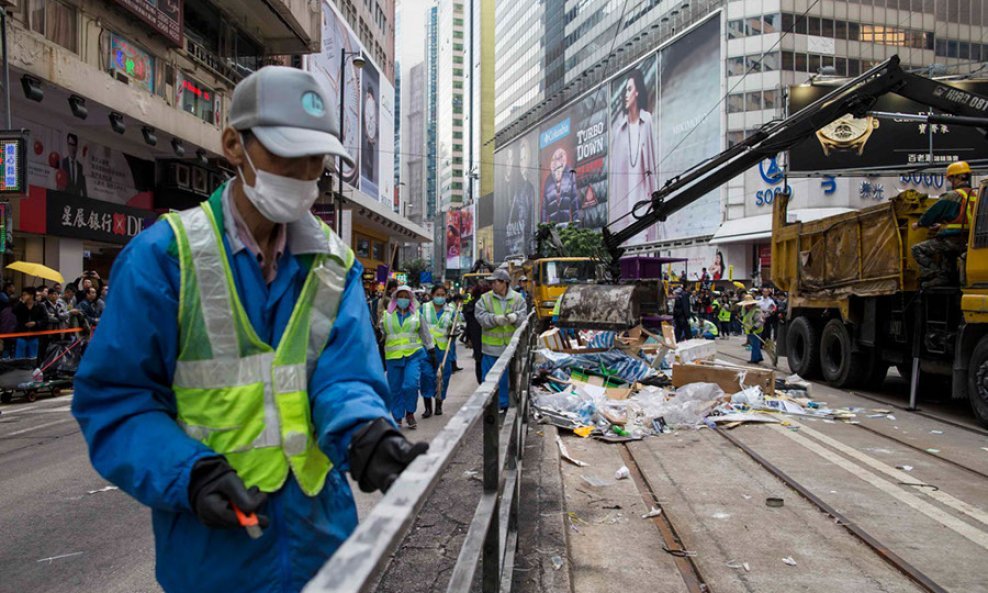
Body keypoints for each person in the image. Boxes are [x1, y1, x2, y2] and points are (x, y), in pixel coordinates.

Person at [71, 66, 427, 593]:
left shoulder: (333, 265)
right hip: (214, 556)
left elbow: (342, 379)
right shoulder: (162, 259)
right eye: (288, 154)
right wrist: (189, 474)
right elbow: (119, 401)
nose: (306, 173)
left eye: (317, 160)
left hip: (323, 544)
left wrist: (367, 435)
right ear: (234, 145)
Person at [609, 67, 659, 243]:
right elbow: (615, 183)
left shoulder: (647, 121)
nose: (625, 94)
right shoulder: (619, 131)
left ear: (637, 92)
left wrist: (655, 201)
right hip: (624, 205)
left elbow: (652, 166)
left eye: (629, 89)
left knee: (642, 244)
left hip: (642, 202)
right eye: (625, 90)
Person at [911, 161, 978, 288]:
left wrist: (919, 224)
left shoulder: (953, 196)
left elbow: (932, 213)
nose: (950, 182)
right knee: (948, 255)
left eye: (951, 179)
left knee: (917, 249)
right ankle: (950, 277)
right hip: (970, 242)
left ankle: (938, 275)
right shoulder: (976, 194)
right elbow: (964, 220)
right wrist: (941, 227)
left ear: (957, 177)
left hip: (953, 240)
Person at [381, 285, 436, 428]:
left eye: (406, 297)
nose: (403, 300)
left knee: (411, 385)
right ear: (395, 298)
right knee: (395, 388)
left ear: (411, 299)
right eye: (401, 297)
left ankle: (410, 413)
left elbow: (425, 333)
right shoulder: (386, 315)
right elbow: (381, 333)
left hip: (414, 355)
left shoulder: (416, 315)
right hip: (393, 357)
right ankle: (397, 417)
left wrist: (431, 351)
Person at [475, 269, 527, 411]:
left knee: (507, 380)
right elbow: (480, 316)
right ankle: (490, 405)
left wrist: (515, 317)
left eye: (495, 282)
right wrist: (494, 319)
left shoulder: (517, 298)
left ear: (505, 283)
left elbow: (524, 317)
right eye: (491, 282)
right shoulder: (485, 299)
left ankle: (503, 405)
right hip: (491, 348)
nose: (493, 285)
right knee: (489, 379)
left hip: (511, 347)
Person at [420, 285, 460, 416]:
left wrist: (455, 332)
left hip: (443, 349)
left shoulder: (451, 310)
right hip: (425, 349)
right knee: (426, 376)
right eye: (438, 294)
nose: (440, 297)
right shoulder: (424, 308)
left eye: (443, 295)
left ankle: (439, 403)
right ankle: (427, 407)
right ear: (432, 295)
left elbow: (456, 326)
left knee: (443, 377)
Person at [13, 287, 47, 359]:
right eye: (23, 295)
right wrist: (22, 302)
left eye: (25, 294)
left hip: (34, 335)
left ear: (31, 295)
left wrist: (36, 323)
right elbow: (14, 311)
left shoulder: (40, 306)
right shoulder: (20, 305)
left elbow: (45, 319)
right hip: (21, 335)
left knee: (33, 358)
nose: (23, 296)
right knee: (19, 358)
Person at [464, 281, 487, 384]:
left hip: (475, 336)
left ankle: (481, 382)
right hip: (488, 337)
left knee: (479, 360)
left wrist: (468, 338)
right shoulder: (488, 303)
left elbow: (468, 323)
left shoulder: (471, 304)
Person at [739, 295, 765, 364]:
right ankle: (759, 357)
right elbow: (745, 318)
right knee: (755, 344)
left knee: (755, 345)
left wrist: (754, 327)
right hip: (749, 330)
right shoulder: (746, 310)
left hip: (756, 330)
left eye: (748, 304)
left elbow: (760, 321)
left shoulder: (756, 310)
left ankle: (754, 359)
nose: (747, 305)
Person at [61, 132, 88, 197]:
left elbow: (84, 190)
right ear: (67, 145)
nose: (72, 147)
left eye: (74, 145)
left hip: (76, 204)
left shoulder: (80, 167)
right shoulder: (62, 164)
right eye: (70, 144)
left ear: (77, 147)